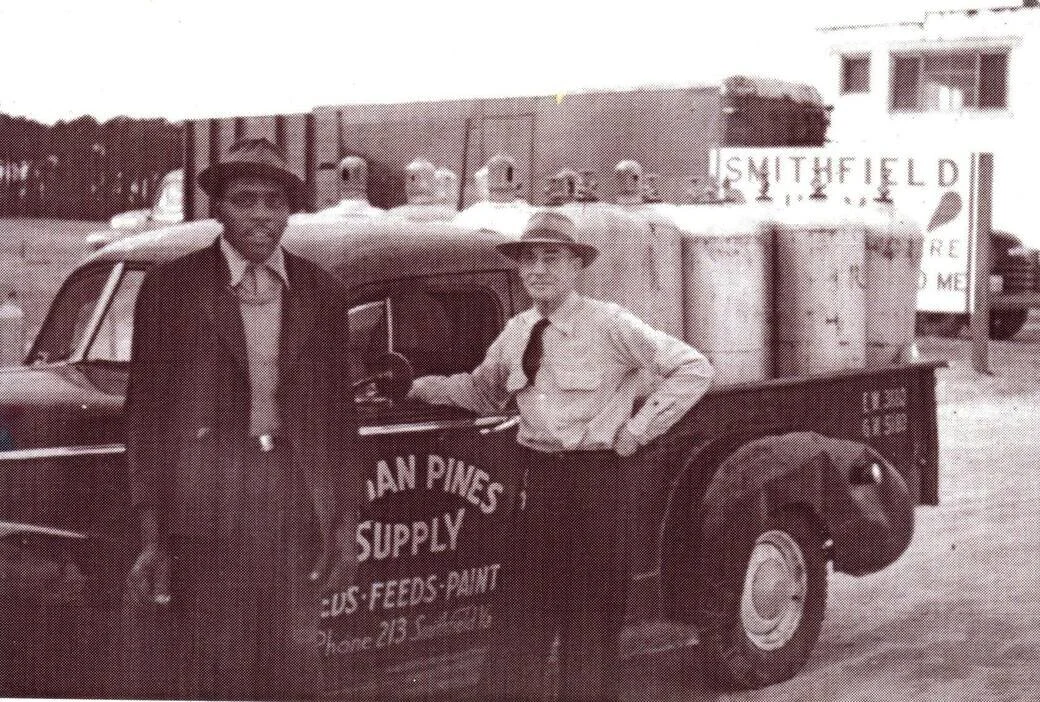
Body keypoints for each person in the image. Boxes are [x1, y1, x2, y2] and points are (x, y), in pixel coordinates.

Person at [408, 210, 714, 702]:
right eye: (528, 259)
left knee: (589, 635)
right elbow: (482, 393)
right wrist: (423, 387)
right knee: (517, 628)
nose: (537, 270)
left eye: (551, 258)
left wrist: (637, 430)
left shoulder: (609, 324)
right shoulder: (516, 331)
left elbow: (693, 368)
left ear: (577, 267)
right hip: (536, 487)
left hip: (595, 486)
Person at [124, 138, 357, 700]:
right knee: (213, 663)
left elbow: (338, 419)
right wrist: (152, 533)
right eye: (243, 198)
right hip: (206, 502)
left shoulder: (320, 289)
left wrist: (344, 526)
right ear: (218, 207)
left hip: (294, 497)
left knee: (291, 664)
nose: (259, 213)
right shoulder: (172, 287)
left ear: (289, 209)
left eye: (273, 201)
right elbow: (148, 414)